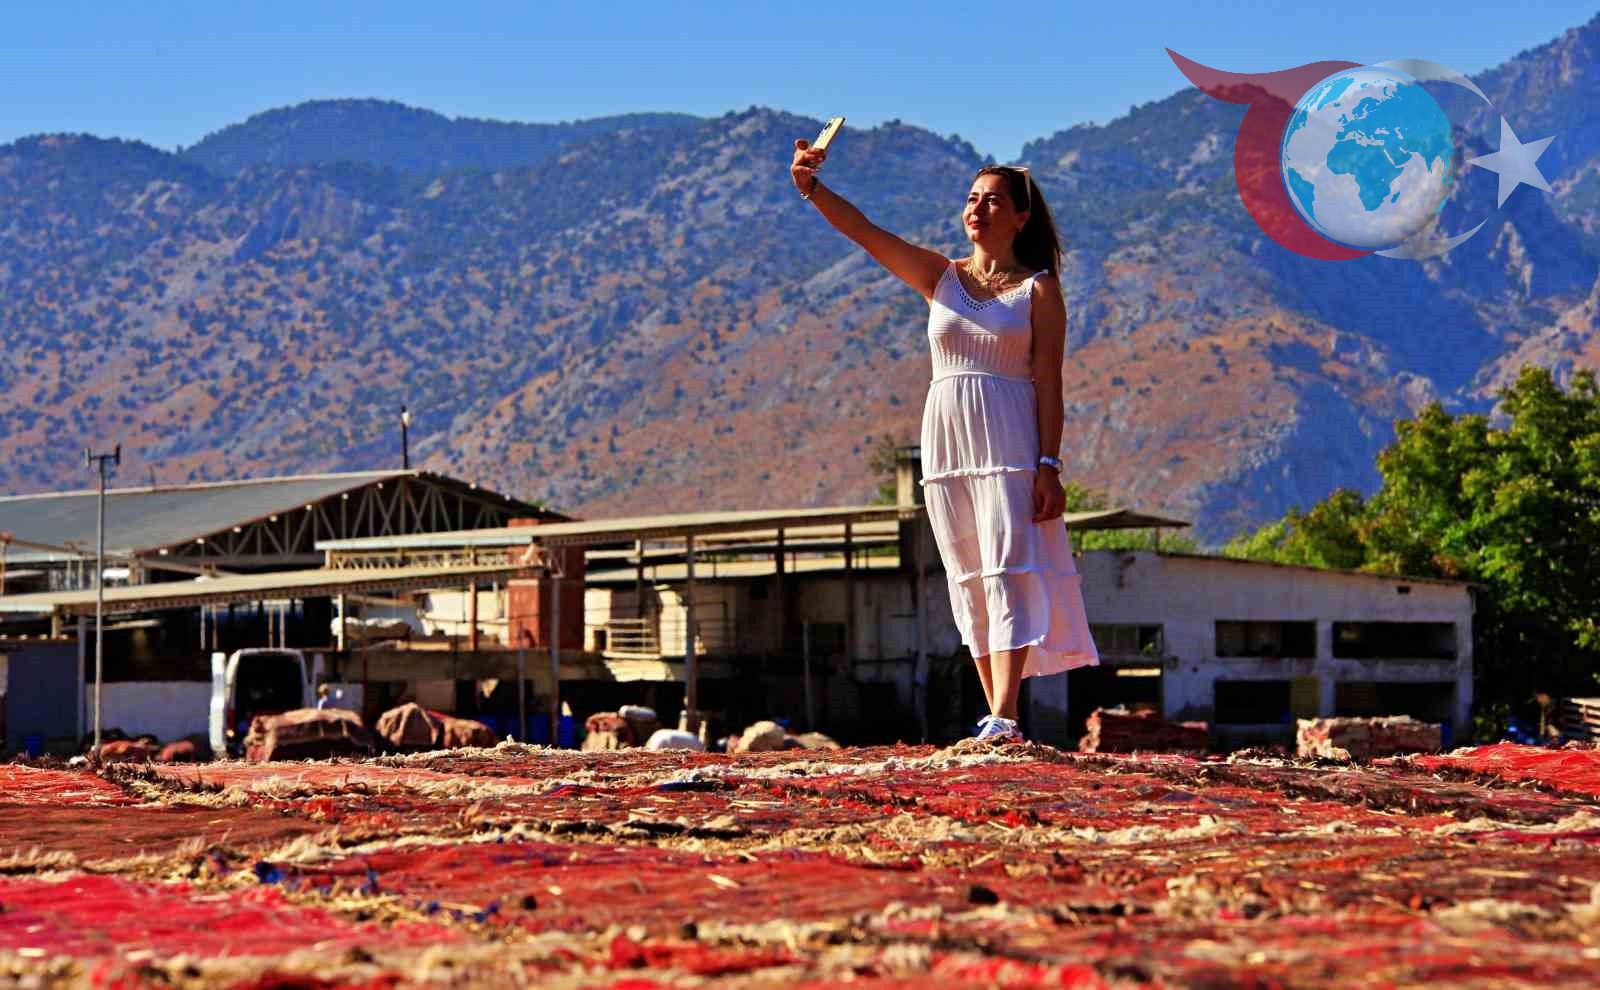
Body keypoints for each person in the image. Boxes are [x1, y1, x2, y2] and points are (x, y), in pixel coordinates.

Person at [790, 137, 1100, 743]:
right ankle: (998, 718)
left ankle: (1007, 714)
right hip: (948, 443)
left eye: (993, 200)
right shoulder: (941, 277)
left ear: (1021, 217)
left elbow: (1050, 382)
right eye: (972, 198)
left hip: (1010, 441)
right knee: (970, 573)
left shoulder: (1039, 289)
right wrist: (812, 189)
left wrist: (1049, 464)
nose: (977, 208)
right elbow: (867, 233)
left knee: (1008, 567)